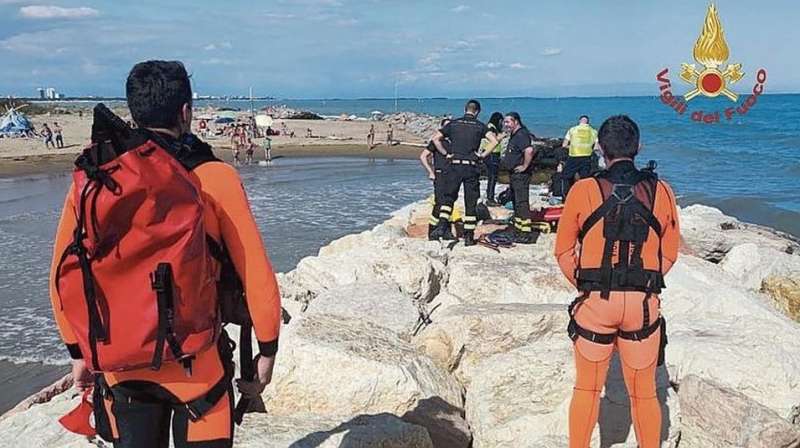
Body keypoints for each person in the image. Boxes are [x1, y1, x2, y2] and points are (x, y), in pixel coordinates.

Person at [49, 60, 282, 448]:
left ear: (133, 113)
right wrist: (268, 348)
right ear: (186, 112)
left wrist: (78, 350)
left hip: (120, 365)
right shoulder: (215, 177)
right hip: (197, 367)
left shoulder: (95, 179)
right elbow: (255, 270)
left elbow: (62, 275)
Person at [554, 115, 680, 448]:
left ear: (599, 148)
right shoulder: (662, 191)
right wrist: (644, 281)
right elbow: (670, 253)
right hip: (642, 307)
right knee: (644, 395)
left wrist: (586, 283)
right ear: (638, 148)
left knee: (587, 389)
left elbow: (564, 250)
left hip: (597, 304)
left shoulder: (583, 189)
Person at [430, 99, 498, 246]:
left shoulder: (453, 124)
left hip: (454, 166)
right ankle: (468, 237)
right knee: (470, 202)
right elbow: (494, 141)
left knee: (448, 199)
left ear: (465, 109)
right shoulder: (480, 126)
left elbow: (436, 138)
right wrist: (482, 155)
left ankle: (441, 226)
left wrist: (446, 153)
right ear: (478, 112)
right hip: (471, 166)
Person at [499, 112, 537, 244]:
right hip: (514, 174)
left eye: (508, 122)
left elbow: (529, 151)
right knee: (516, 202)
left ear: (516, 122)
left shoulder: (521, 134)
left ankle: (526, 233)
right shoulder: (515, 135)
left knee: (521, 202)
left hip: (521, 175)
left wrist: (525, 166)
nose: (506, 125)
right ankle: (518, 229)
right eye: (505, 122)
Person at [419, 119, 453, 240]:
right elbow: (423, 156)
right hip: (439, 174)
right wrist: (430, 171)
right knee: (439, 202)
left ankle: (446, 230)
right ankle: (432, 229)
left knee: (449, 203)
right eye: (446, 126)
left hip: (452, 175)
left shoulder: (455, 141)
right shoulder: (436, 141)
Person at [561, 115, 598, 198]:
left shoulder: (573, 130)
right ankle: (583, 196)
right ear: (588, 122)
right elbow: (596, 147)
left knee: (566, 176)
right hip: (587, 156)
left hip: (574, 155)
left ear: (579, 121)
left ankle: (567, 195)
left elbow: (564, 145)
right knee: (585, 178)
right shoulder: (593, 131)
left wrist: (572, 147)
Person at [480, 112, 506, 205]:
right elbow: (494, 140)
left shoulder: (491, 127)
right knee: (492, 177)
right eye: (501, 121)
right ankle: (490, 198)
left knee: (493, 177)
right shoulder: (491, 127)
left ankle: (489, 196)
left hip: (492, 154)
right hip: (491, 154)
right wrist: (502, 136)